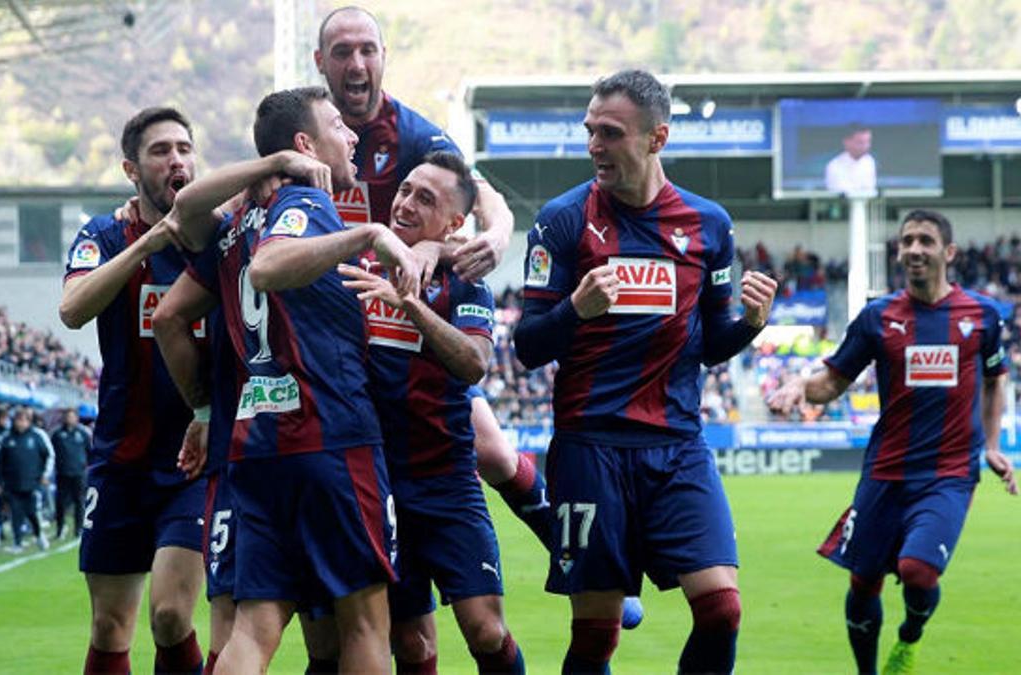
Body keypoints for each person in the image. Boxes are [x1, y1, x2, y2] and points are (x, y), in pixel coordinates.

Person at [313, 4, 592, 625]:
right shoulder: (308, 130)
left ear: (384, 58)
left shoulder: (411, 133)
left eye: (368, 50)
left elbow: (479, 191)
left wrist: (495, 232)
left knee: (491, 452)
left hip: (400, 320)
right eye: (342, 52)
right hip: (335, 332)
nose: (358, 64)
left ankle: (572, 557)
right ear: (320, 64)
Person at [512, 69, 778, 674]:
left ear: (656, 138)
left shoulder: (708, 225)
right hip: (590, 447)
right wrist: (575, 310)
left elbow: (709, 345)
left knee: (722, 610)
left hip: (677, 447)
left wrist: (751, 325)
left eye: (610, 133)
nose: (594, 146)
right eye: (590, 131)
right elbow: (527, 346)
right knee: (596, 637)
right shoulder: (561, 220)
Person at [167, 86, 418, 674]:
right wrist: (368, 235)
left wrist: (203, 411)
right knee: (365, 621)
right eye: (338, 125)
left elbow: (170, 315)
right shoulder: (304, 202)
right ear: (305, 144)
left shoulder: (236, 223)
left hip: (257, 446)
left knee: (254, 630)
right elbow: (272, 266)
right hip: (330, 435)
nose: (353, 134)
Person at [768, 208, 1018, 675]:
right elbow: (832, 382)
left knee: (917, 571)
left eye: (925, 240)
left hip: (947, 474)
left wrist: (991, 443)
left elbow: (995, 378)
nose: (914, 250)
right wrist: (800, 385)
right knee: (863, 585)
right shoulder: (878, 317)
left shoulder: (981, 316)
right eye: (906, 241)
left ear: (949, 252)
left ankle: (909, 638)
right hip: (885, 471)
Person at [339, 151, 525, 673]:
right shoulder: (359, 265)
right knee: (412, 644)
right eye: (405, 190)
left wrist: (412, 307)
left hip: (446, 480)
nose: (406, 203)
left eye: (426, 198)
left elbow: (474, 363)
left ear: (454, 224)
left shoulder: (466, 284)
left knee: (487, 632)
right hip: (379, 484)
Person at [59, 106, 206, 675]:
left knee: (171, 615)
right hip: (119, 458)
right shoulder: (103, 234)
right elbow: (72, 309)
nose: (177, 160)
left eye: (185, 149)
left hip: (192, 460)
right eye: (161, 150)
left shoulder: (215, 238)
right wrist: (147, 245)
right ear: (131, 169)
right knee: (109, 626)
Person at [0, 408, 52, 552]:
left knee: (32, 513)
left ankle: (39, 535)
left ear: (28, 421)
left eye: (23, 420)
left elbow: (49, 456)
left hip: (33, 483)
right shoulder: (7, 439)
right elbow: (0, 463)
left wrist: (45, 475)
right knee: (16, 514)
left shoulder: (37, 436)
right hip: (13, 484)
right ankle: (18, 543)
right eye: (17, 420)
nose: (20, 423)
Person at [51, 408, 90, 539]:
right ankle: (60, 528)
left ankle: (78, 529)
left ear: (76, 418)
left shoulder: (83, 433)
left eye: (72, 416)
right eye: (67, 416)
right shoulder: (57, 434)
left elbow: (89, 452)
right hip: (62, 473)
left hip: (78, 474)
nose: (69, 419)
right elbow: (52, 453)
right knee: (60, 503)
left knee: (79, 502)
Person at [825, 123, 876, 195]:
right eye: (860, 142)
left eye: (868, 142)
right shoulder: (834, 166)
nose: (866, 146)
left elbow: (870, 191)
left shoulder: (869, 161)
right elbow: (840, 195)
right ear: (846, 142)